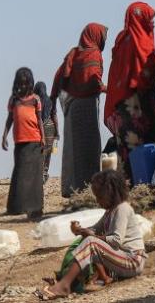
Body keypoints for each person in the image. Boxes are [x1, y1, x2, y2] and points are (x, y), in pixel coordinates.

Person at [37, 170, 145, 300]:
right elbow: (94, 229)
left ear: (110, 193)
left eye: (100, 197)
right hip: (121, 259)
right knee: (90, 242)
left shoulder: (122, 209)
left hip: (132, 261)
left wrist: (93, 236)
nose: (98, 201)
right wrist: (80, 230)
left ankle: (64, 285)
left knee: (92, 243)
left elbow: (116, 240)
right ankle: (67, 282)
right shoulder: (110, 212)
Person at [104, 3, 155, 178]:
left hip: (124, 102)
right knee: (145, 144)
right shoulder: (140, 42)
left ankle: (131, 185)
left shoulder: (122, 40)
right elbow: (148, 73)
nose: (152, 23)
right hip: (138, 102)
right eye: (149, 19)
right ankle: (145, 186)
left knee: (130, 146)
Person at [50, 23, 107, 197]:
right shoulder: (93, 54)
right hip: (86, 106)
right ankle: (87, 191)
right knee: (88, 148)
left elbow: (60, 77)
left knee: (72, 149)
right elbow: (93, 79)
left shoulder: (74, 53)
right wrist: (107, 88)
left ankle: (72, 189)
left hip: (71, 106)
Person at [2, 67, 45, 220]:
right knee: (20, 173)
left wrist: (43, 137)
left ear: (30, 84)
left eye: (26, 84)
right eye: (20, 84)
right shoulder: (13, 100)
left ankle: (35, 208)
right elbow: (10, 119)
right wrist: (4, 136)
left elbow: (39, 120)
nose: (23, 87)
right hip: (20, 141)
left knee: (35, 175)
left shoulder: (35, 99)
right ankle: (16, 207)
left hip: (35, 140)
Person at [33, 82, 57, 184]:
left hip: (38, 128)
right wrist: (57, 132)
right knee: (49, 152)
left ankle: (39, 174)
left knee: (39, 152)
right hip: (50, 127)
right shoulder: (51, 100)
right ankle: (44, 173)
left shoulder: (34, 101)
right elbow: (54, 116)